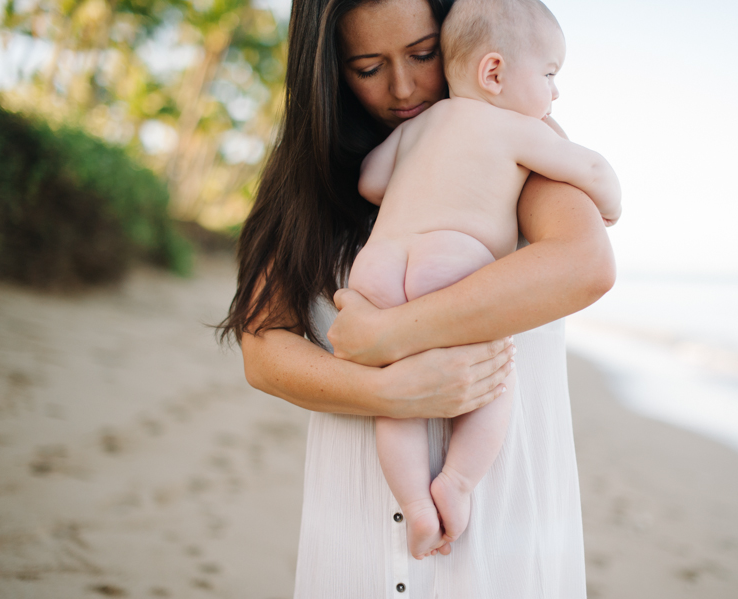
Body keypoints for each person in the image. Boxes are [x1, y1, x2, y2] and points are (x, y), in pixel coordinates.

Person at [220, 0, 616, 595]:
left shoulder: (521, 140)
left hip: (500, 524)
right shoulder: (313, 178)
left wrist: (389, 336)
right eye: (367, 66)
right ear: (330, 69)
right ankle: (447, 484)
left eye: (424, 54)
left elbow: (584, 264)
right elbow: (261, 350)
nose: (403, 87)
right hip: (353, 522)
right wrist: (384, 389)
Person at [349, 0, 621, 560]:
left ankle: (414, 504)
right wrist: (611, 204)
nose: (555, 93)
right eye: (549, 74)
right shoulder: (518, 130)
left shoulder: (423, 124)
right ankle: (455, 484)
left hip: (377, 264)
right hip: (453, 260)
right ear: (494, 73)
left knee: (394, 391)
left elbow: (371, 182)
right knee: (494, 370)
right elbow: (589, 170)